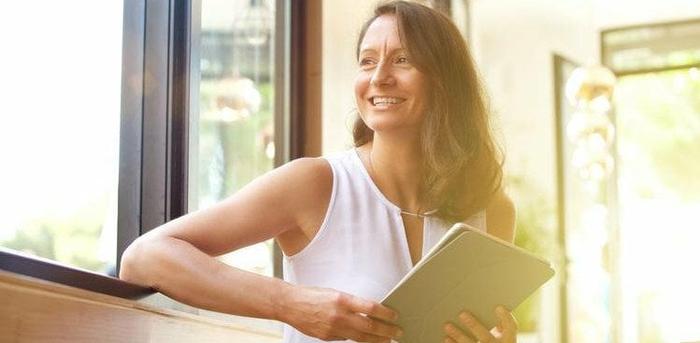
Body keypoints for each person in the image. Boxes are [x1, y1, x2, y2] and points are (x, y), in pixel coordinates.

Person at [120, 1, 518, 342]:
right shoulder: (317, 184)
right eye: (367, 60)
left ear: (445, 82)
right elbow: (145, 257)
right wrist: (289, 304)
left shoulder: (491, 210)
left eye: (402, 59)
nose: (379, 76)